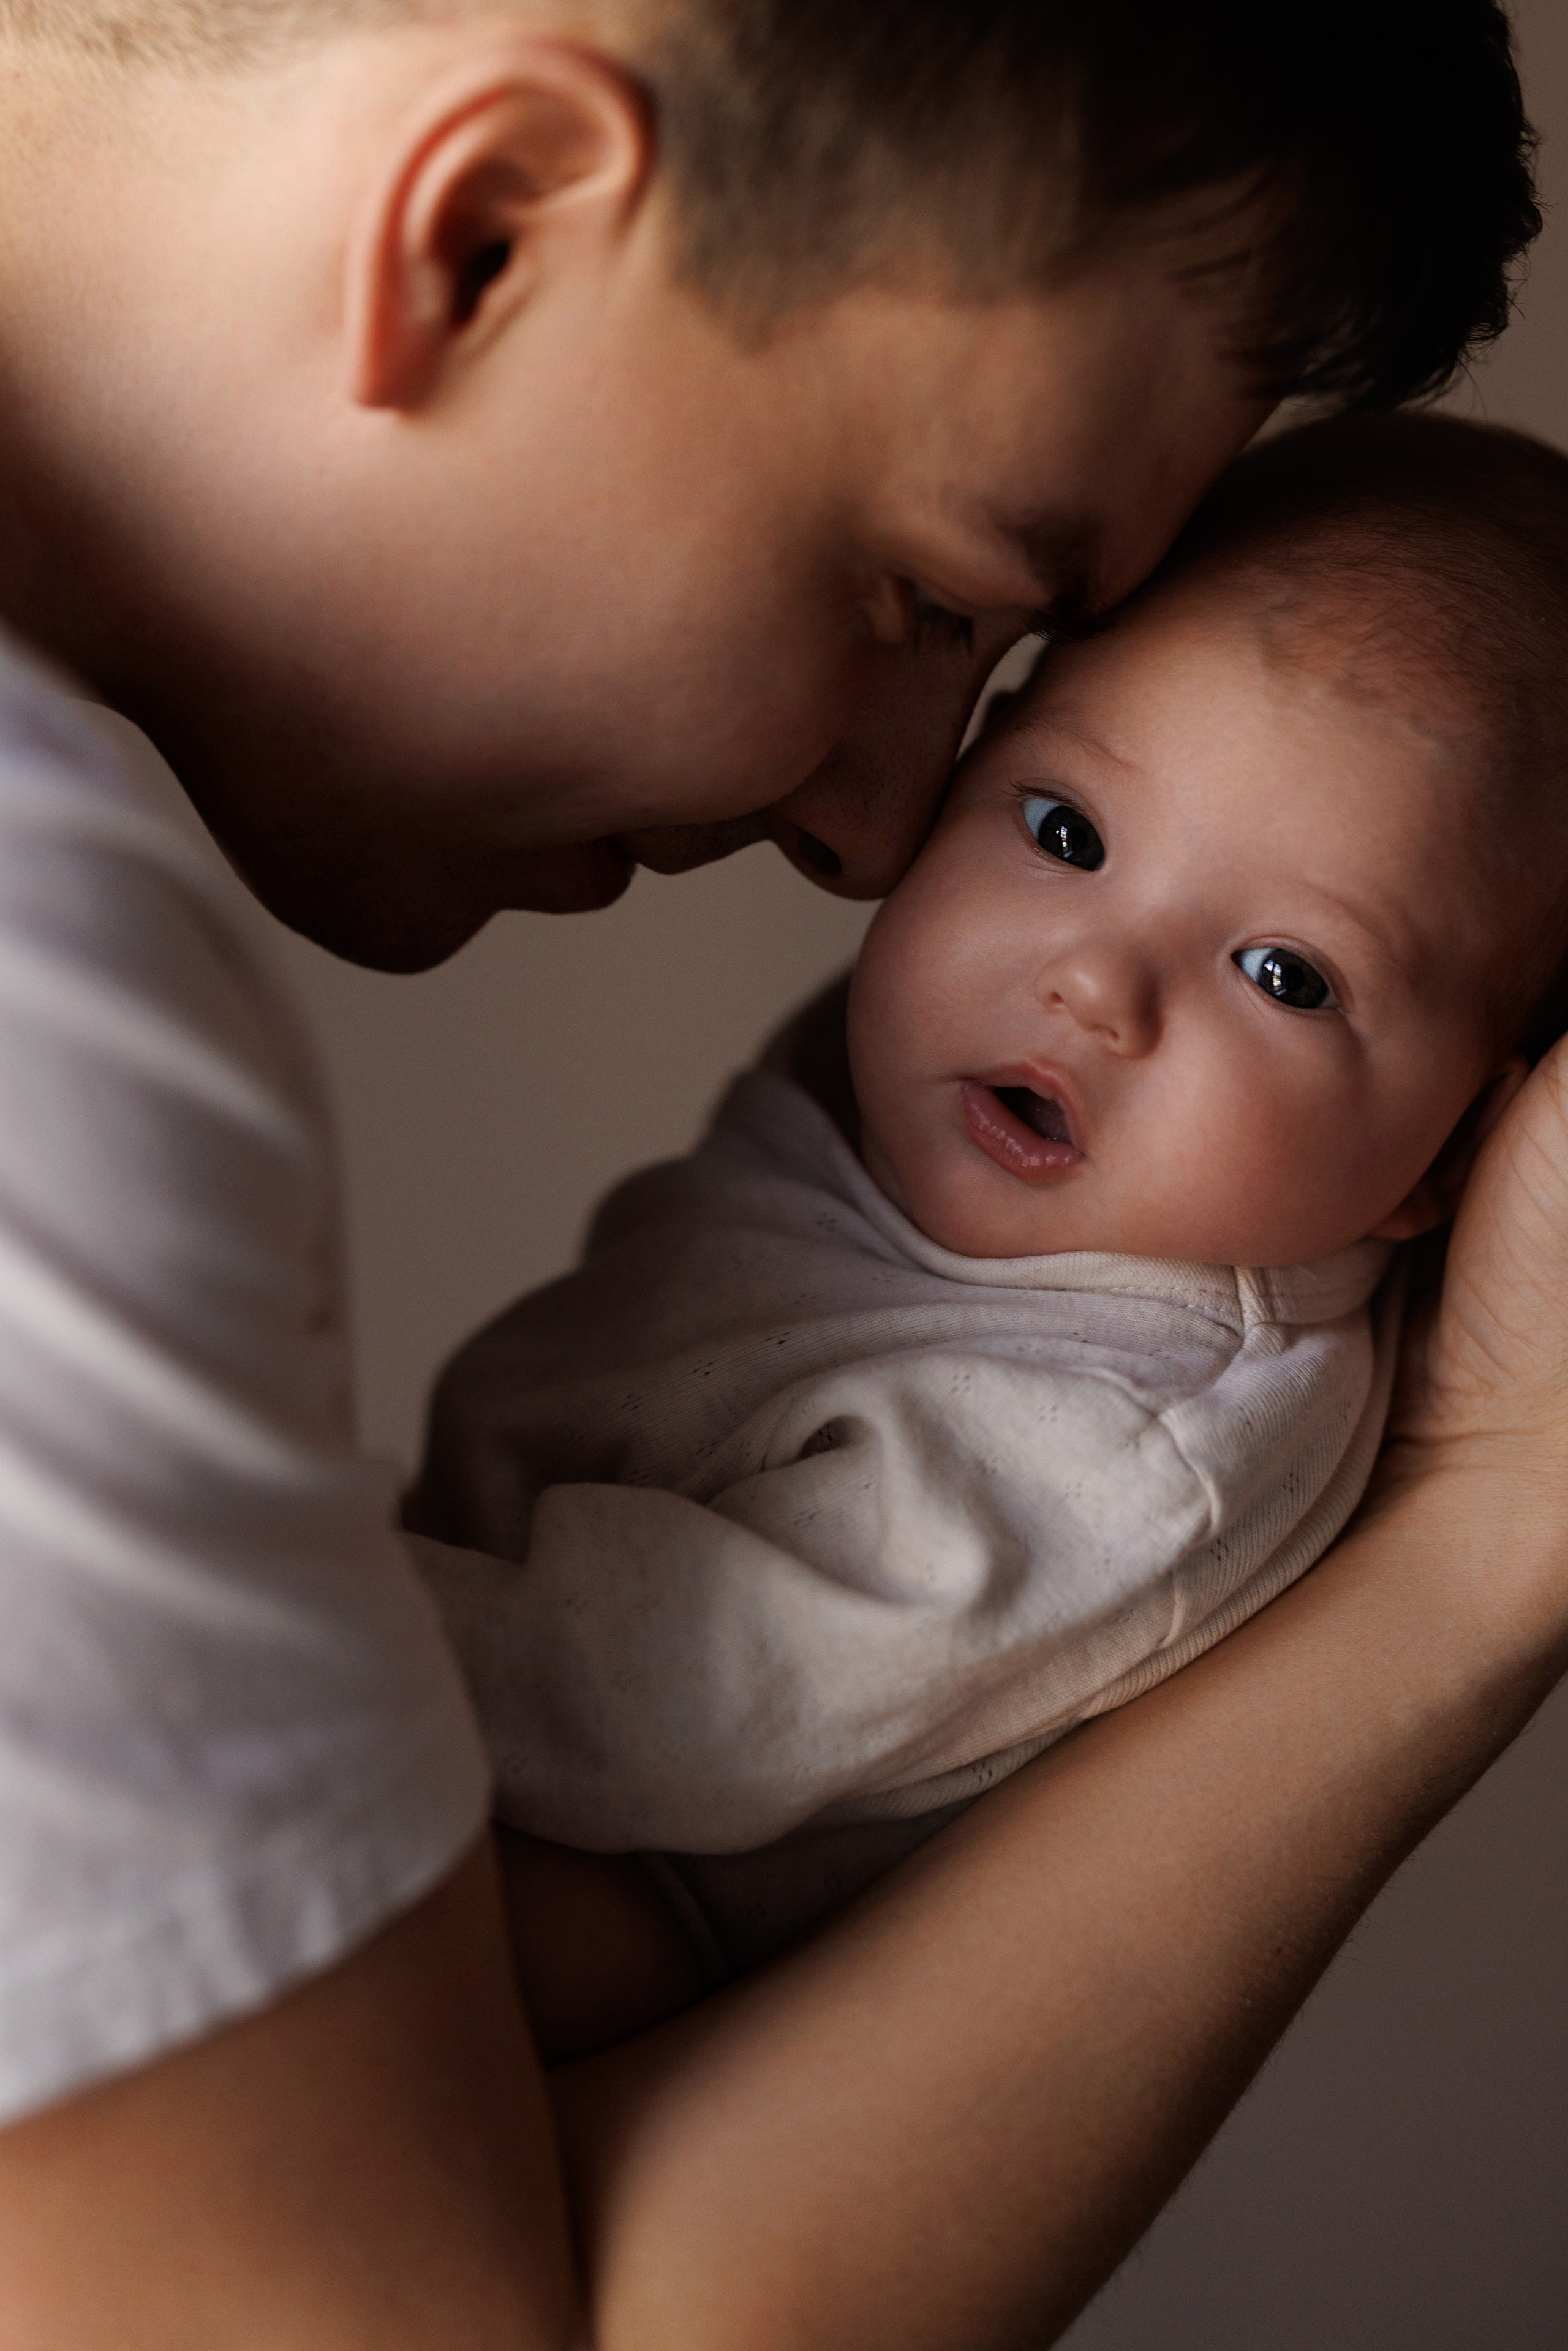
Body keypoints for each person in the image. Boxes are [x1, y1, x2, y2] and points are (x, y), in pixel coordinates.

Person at [0, 3, 1554, 2346]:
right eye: (930, 599)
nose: (865, 831)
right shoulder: (45, 1007)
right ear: (486, 226)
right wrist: (1487, 1550)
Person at [411, 409, 1566, 2040]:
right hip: (476, 1621)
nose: (1096, 982)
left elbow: (706, 1698)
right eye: (1064, 832)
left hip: (655, 1876)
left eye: (1286, 975)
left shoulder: (1137, 1438)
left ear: (1440, 1164)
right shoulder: (985, 1086)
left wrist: (325, 1617)